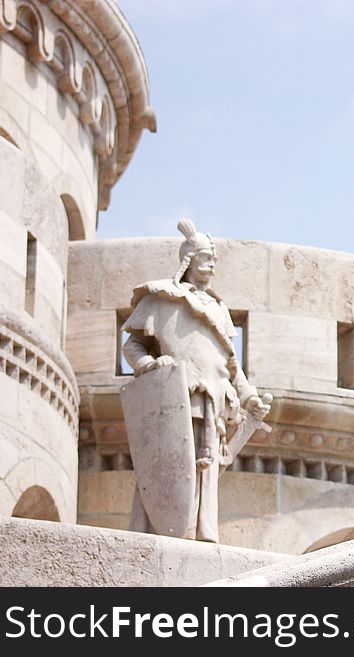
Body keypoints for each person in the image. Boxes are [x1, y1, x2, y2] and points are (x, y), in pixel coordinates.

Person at [122, 219, 270, 542]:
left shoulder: (219, 309)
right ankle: (157, 528)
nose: (212, 263)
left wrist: (248, 397)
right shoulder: (162, 298)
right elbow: (132, 346)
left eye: (214, 258)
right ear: (188, 259)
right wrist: (148, 364)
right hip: (174, 399)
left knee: (205, 467)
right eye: (205, 257)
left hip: (213, 401)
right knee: (171, 462)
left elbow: (232, 366)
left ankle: (203, 531)